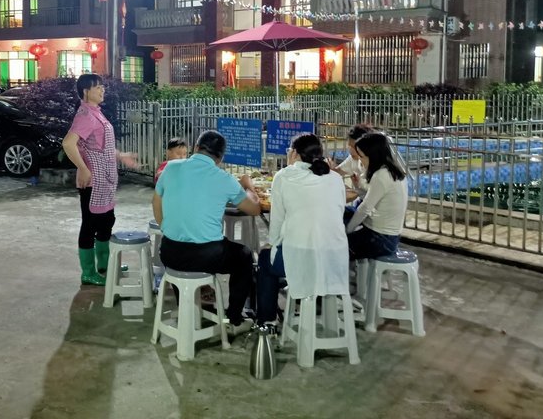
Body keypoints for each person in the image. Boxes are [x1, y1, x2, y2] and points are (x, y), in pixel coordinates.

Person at [153, 130, 261, 334]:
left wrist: (168, 229)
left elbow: (156, 201)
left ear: (196, 148)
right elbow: (254, 209)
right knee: (244, 256)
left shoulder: (171, 168)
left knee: (182, 253)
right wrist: (249, 187)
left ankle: (187, 307)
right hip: (207, 256)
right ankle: (235, 319)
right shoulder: (224, 178)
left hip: (169, 252)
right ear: (220, 158)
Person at [256, 134, 348, 326]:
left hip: (301, 256)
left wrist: (271, 245)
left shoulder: (284, 176)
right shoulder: (335, 178)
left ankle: (267, 322)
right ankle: (307, 295)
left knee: (265, 259)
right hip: (334, 258)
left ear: (294, 153)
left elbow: (277, 222)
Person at [62, 74, 139, 286]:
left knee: (106, 221)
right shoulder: (86, 115)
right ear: (86, 91)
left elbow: (100, 146)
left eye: (102, 87)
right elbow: (68, 143)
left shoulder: (96, 112)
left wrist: (121, 156)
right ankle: (88, 272)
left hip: (104, 179)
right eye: (97, 87)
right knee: (90, 225)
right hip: (93, 181)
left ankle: (104, 264)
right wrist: (82, 168)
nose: (102, 90)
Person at [345, 132, 408, 259]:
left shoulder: (381, 176)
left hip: (381, 239)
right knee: (344, 212)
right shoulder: (391, 171)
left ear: (373, 156)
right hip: (388, 236)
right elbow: (372, 199)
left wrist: (347, 232)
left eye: (362, 157)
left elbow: (365, 208)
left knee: (338, 244)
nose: (360, 161)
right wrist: (358, 187)